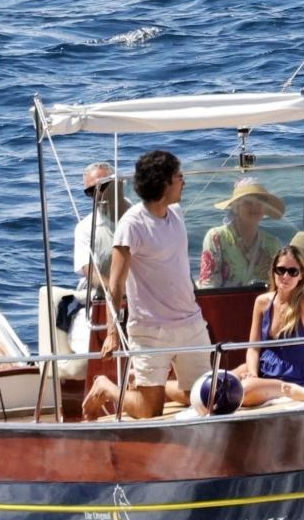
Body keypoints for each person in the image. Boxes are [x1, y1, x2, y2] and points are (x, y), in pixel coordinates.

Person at [81, 150, 212, 420]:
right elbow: (115, 285)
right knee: (149, 411)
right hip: (151, 330)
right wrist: (112, 333)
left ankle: (156, 388)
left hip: (190, 322)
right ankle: (106, 388)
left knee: (206, 399)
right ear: (164, 183)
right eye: (179, 177)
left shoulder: (176, 213)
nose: (184, 181)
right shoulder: (131, 224)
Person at [230, 245, 304, 406]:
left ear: (302, 275)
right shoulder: (262, 302)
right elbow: (253, 348)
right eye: (280, 270)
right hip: (262, 369)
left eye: (292, 272)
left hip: (290, 375)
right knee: (218, 384)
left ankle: (293, 390)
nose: (285, 276)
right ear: (273, 271)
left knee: (243, 391)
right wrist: (253, 373)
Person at [197, 178, 285, 288]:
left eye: (259, 202)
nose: (255, 207)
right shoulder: (217, 237)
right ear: (236, 207)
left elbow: (278, 286)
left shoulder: (272, 244)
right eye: (248, 202)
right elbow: (208, 285)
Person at [72, 161, 131, 296]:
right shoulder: (85, 228)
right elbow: (91, 273)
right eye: (91, 191)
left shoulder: (142, 216)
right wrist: (120, 291)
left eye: (102, 187)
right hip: (103, 297)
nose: (97, 195)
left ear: (119, 185)